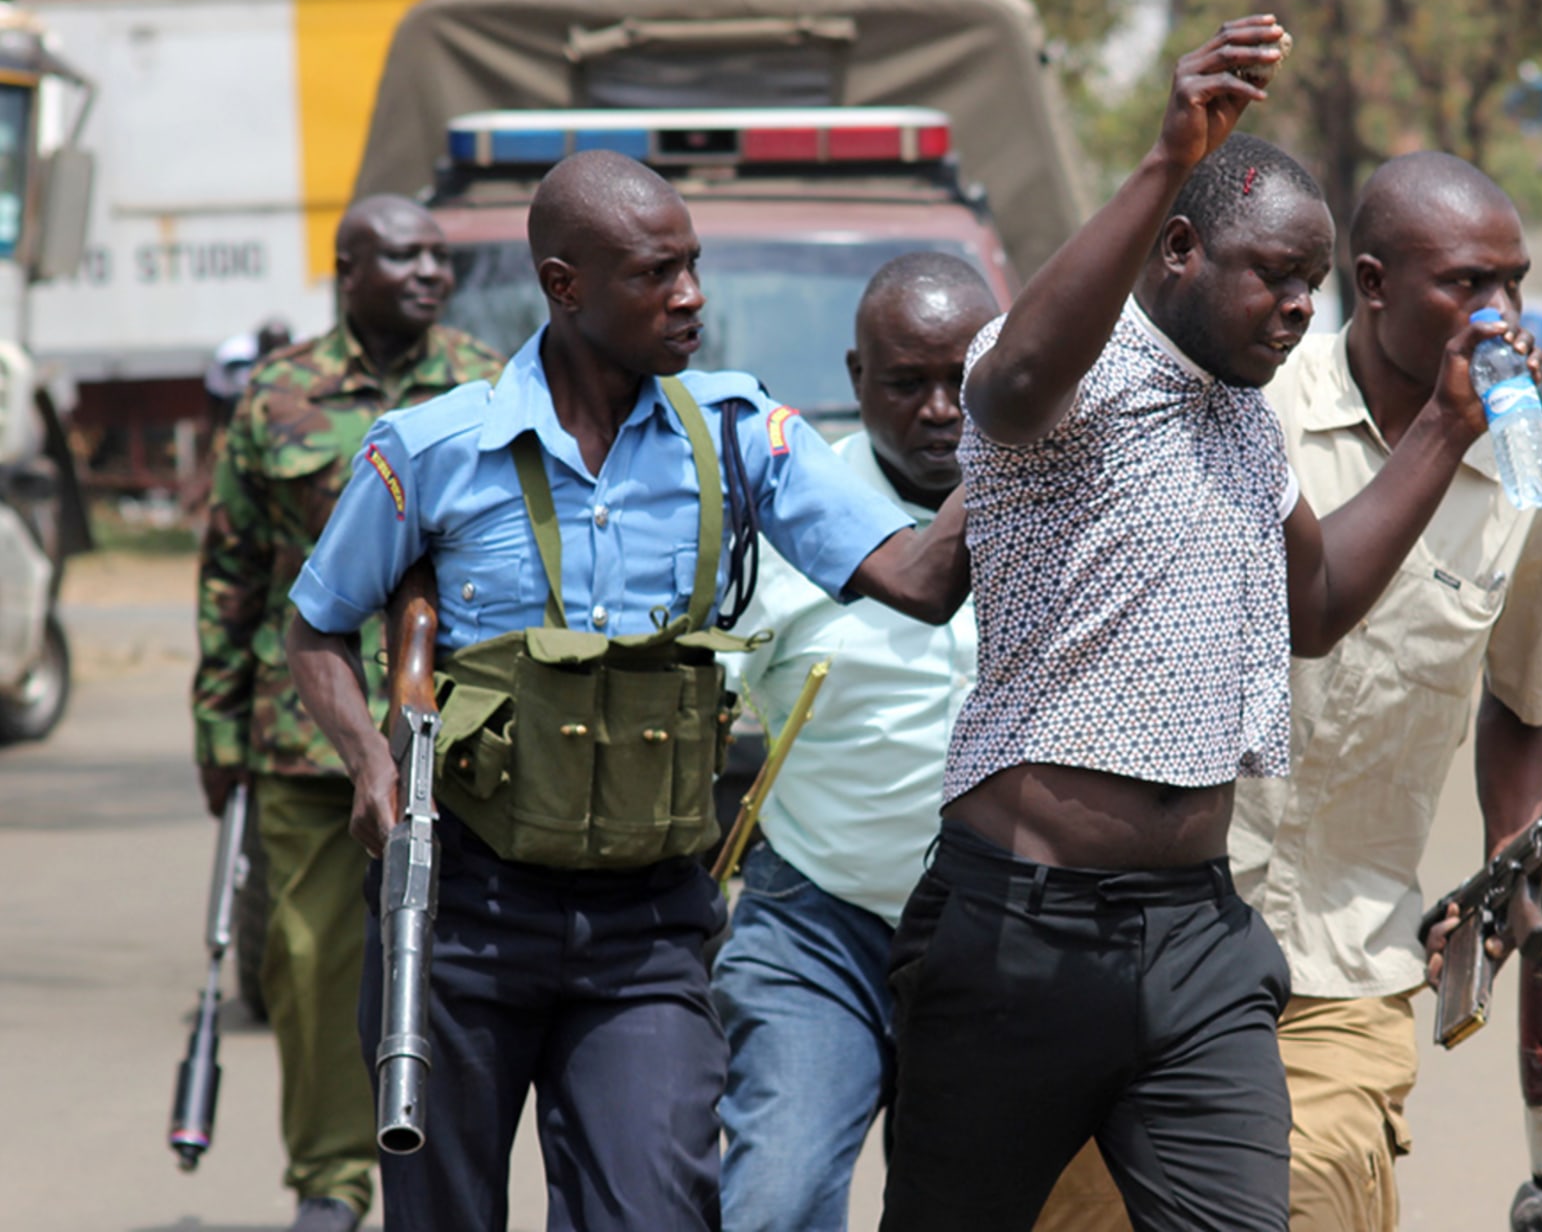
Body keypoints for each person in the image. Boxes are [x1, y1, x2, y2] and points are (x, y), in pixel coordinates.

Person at [879, 18, 1510, 1232]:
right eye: (1275, 273)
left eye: (1313, 284)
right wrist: (1170, 156)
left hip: (1196, 937)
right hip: (1023, 929)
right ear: (1179, 248)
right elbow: (1009, 387)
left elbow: (1316, 609)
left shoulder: (1246, 428)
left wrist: (1442, 429)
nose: (1298, 307)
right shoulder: (1076, 377)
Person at [283, 149, 972, 1232]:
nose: (691, 295)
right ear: (565, 286)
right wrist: (370, 763)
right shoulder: (431, 449)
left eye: (692, 265)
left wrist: (1020, 424)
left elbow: (924, 582)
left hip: (646, 928)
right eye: (657, 273)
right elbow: (316, 626)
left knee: (654, 1207)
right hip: (464, 911)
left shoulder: (741, 436)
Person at [1035, 152, 1542, 1232]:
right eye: (1467, 284)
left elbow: (1524, 705)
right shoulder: (1250, 411)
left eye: (1514, 282)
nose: (1503, 315)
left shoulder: (1535, 490)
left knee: (1314, 1194)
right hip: (1154, 930)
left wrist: (1509, 860)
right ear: (1372, 284)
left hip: (1345, 960)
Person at [190, 198, 501, 1232]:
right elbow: (231, 573)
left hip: (455, 729)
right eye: (404, 255)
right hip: (303, 735)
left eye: (439, 257)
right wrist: (218, 732)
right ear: (347, 267)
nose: (430, 272)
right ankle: (330, 1179)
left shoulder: (490, 383)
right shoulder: (276, 394)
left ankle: (433, 1169)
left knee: (450, 964)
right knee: (312, 959)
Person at [711, 251, 998, 1231]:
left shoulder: (1066, 509)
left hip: (996, 935)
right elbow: (691, 713)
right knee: (777, 1202)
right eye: (908, 382)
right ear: (856, 376)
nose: (941, 410)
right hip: (817, 928)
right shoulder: (786, 518)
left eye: (965, 380)